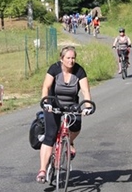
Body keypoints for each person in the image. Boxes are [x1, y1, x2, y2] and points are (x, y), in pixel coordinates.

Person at [36, 46, 94, 183]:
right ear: (61, 59)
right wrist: (46, 102)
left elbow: (85, 91)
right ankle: (43, 170)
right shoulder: (54, 69)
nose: (71, 61)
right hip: (53, 104)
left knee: (76, 128)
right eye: (68, 58)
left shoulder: (79, 71)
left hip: (72, 104)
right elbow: (46, 87)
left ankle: (69, 141)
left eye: (73, 58)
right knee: (50, 135)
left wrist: (88, 106)